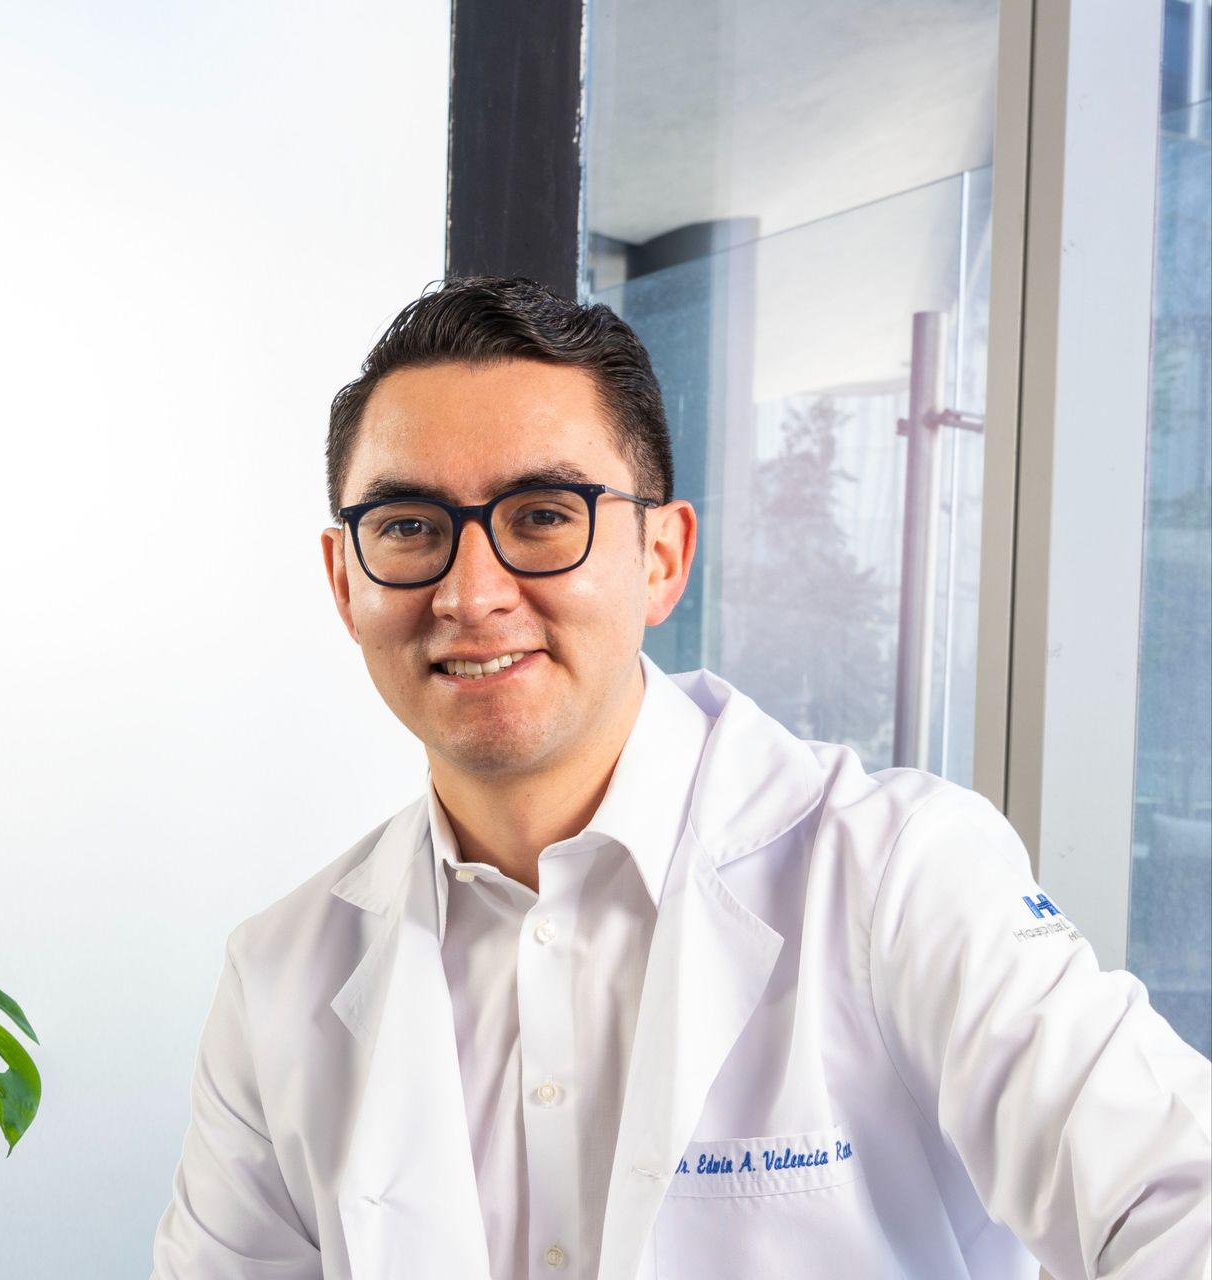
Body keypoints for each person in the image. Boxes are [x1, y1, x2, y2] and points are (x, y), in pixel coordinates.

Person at [151, 276, 1211, 1280]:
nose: (471, 594)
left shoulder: (898, 873)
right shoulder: (279, 974)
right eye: (408, 528)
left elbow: (1183, 1200)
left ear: (660, 558)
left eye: (541, 515)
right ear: (346, 582)